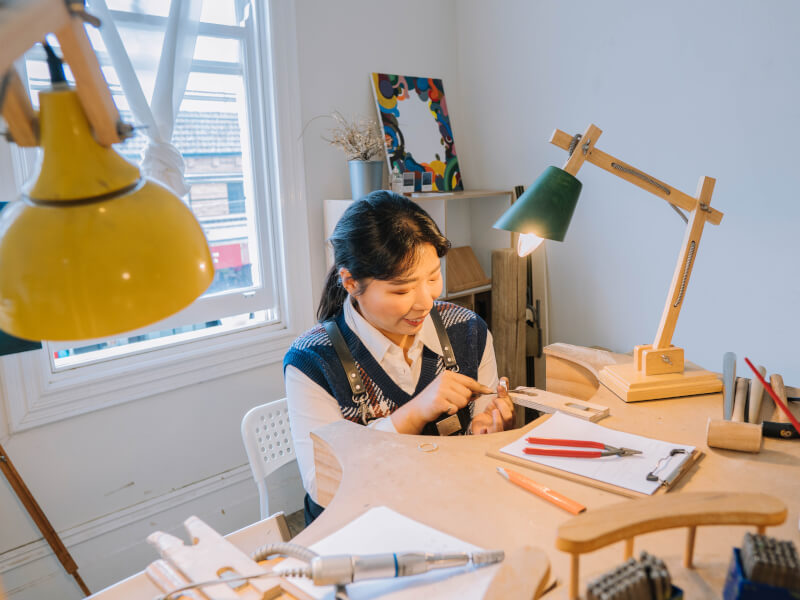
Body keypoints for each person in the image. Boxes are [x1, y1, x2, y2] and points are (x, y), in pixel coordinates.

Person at [284, 191, 514, 524]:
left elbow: (477, 453)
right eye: (402, 289)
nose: (425, 302)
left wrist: (485, 434)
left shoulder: (466, 329)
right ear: (350, 282)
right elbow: (325, 487)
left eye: (433, 277)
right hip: (359, 530)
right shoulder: (314, 360)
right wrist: (416, 411)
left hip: (449, 513)